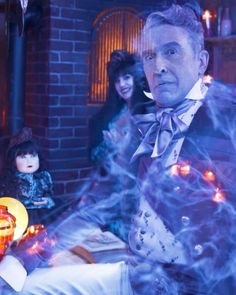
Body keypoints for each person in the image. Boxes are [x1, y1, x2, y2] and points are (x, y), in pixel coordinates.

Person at [128, 3, 236, 295]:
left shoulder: (226, 122)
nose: (158, 66)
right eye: (150, 56)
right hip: (136, 272)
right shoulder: (148, 121)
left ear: (201, 62)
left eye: (172, 52)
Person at [0, 127, 55, 225]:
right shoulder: (10, 180)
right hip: (19, 218)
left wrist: (47, 201)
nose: (29, 161)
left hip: (43, 216)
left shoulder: (43, 177)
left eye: (33, 156)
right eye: (23, 157)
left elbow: (49, 195)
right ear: (13, 161)